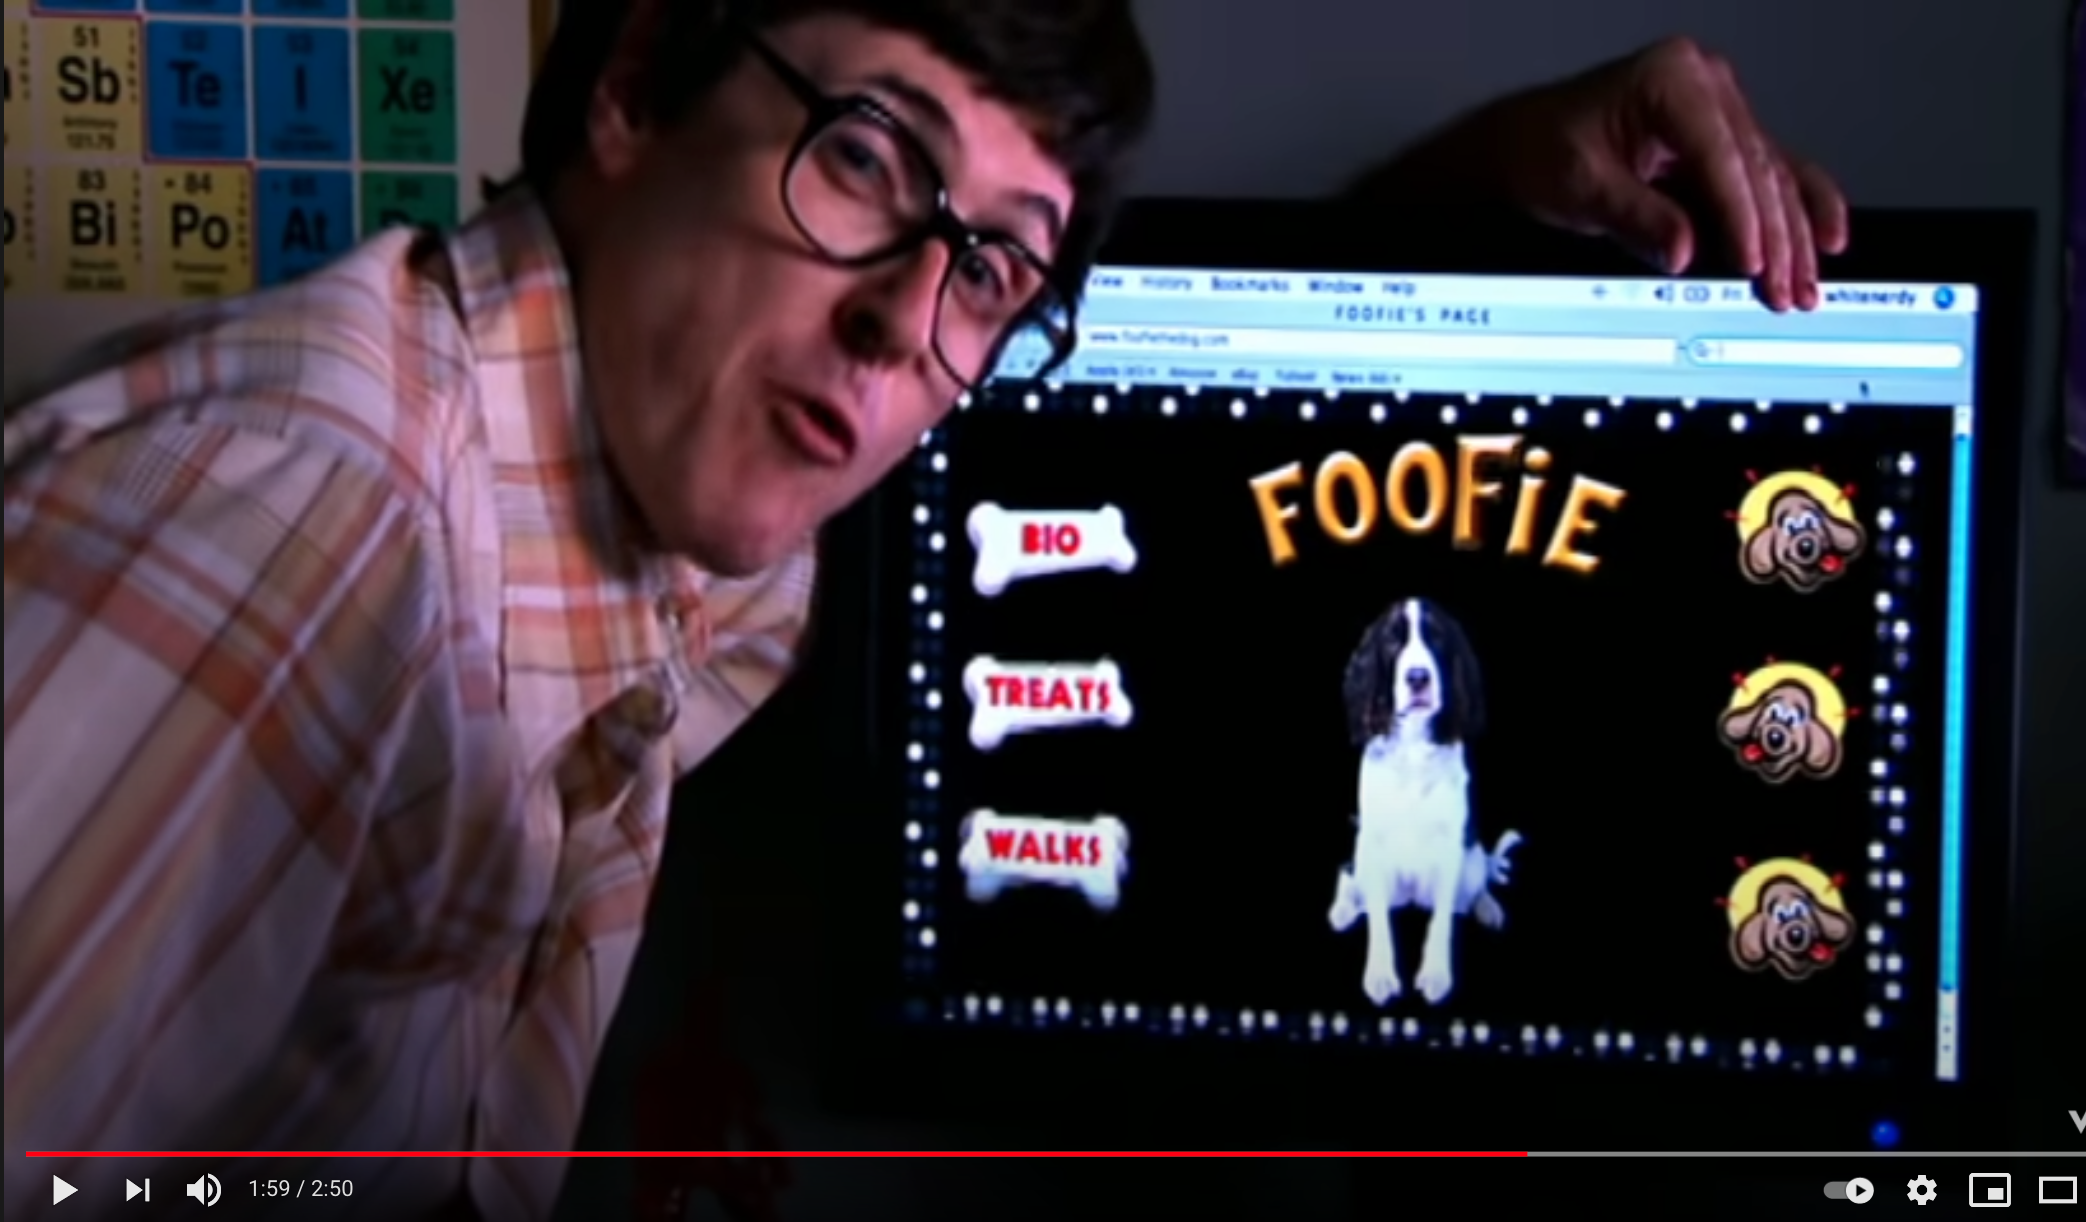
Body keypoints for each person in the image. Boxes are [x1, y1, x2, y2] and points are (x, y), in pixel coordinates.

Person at [1, 1, 1846, 1218]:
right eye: (866, 158)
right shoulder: (310, 526)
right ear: (636, 86)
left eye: (992, 267)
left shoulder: (709, 538)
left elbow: (1182, 494)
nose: (902, 321)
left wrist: (1479, 197)